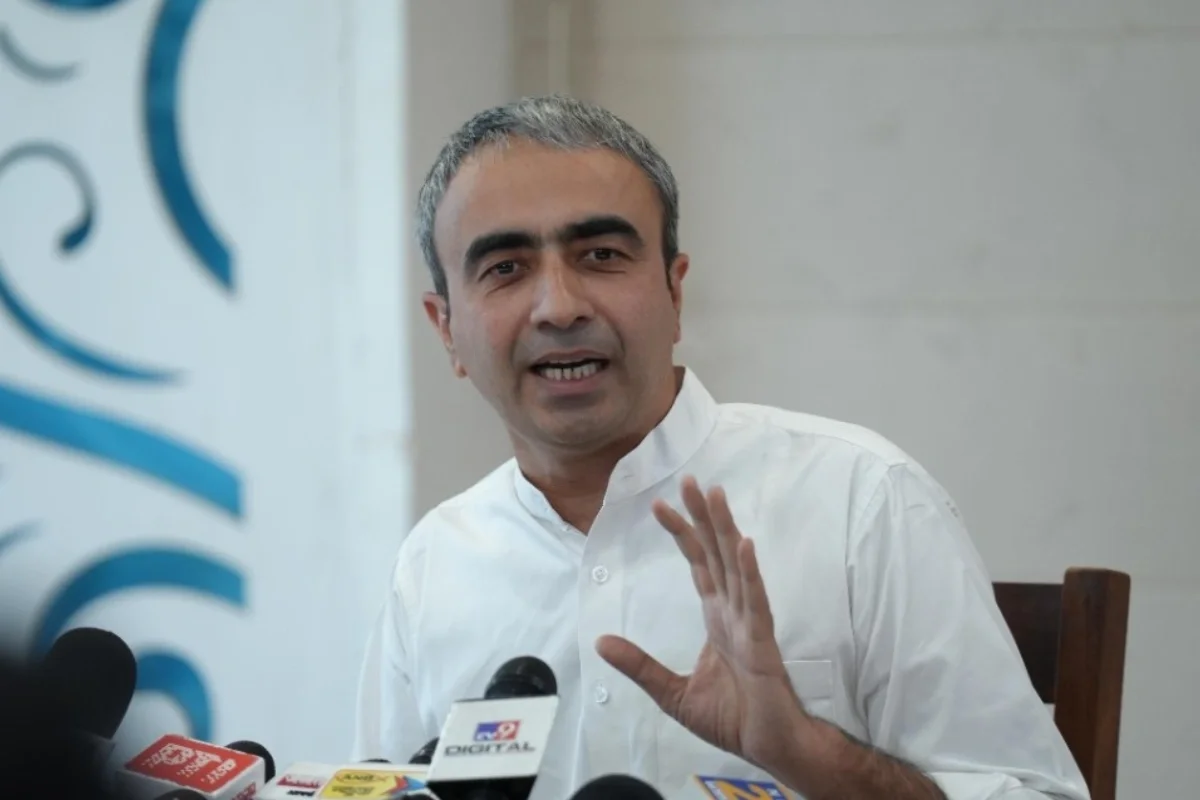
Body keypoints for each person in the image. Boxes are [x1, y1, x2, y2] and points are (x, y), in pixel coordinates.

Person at [353, 95, 1089, 800]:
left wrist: (807, 752)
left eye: (601, 255)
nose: (560, 307)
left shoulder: (862, 503)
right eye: (506, 269)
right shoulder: (434, 565)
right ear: (446, 329)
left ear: (675, 293)